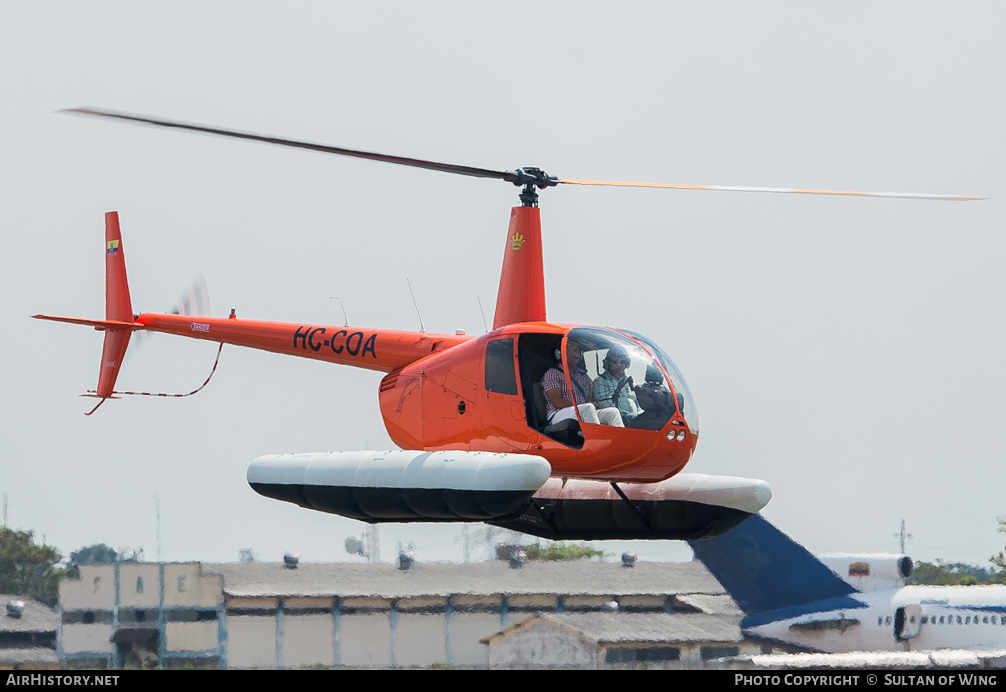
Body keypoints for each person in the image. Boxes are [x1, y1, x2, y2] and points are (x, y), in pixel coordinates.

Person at [542, 337, 623, 427]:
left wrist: (590, 403)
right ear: (560, 353)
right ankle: (596, 439)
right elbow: (556, 401)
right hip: (559, 413)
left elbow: (589, 400)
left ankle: (622, 441)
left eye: (577, 350)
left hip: (583, 411)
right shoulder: (553, 373)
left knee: (612, 412)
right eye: (571, 350)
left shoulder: (584, 377)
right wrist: (582, 406)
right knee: (588, 408)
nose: (576, 353)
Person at [592, 345, 641, 423]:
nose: (618, 365)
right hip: (616, 420)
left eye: (622, 362)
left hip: (633, 419)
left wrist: (641, 417)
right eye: (614, 362)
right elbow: (604, 405)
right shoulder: (600, 381)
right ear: (607, 363)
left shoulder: (630, 381)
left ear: (627, 364)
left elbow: (639, 404)